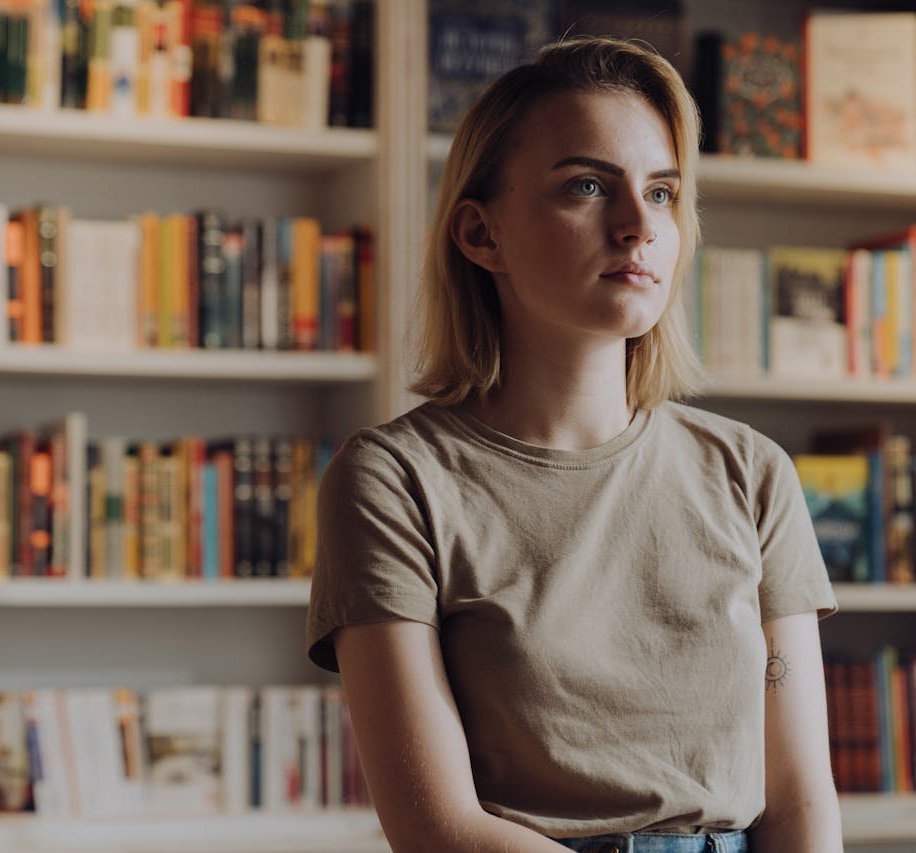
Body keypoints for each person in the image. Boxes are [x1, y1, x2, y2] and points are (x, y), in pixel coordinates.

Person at [306, 36, 841, 853]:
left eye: (662, 192)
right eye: (587, 186)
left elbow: (801, 805)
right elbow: (436, 826)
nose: (637, 225)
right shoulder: (393, 479)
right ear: (481, 235)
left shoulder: (752, 472)